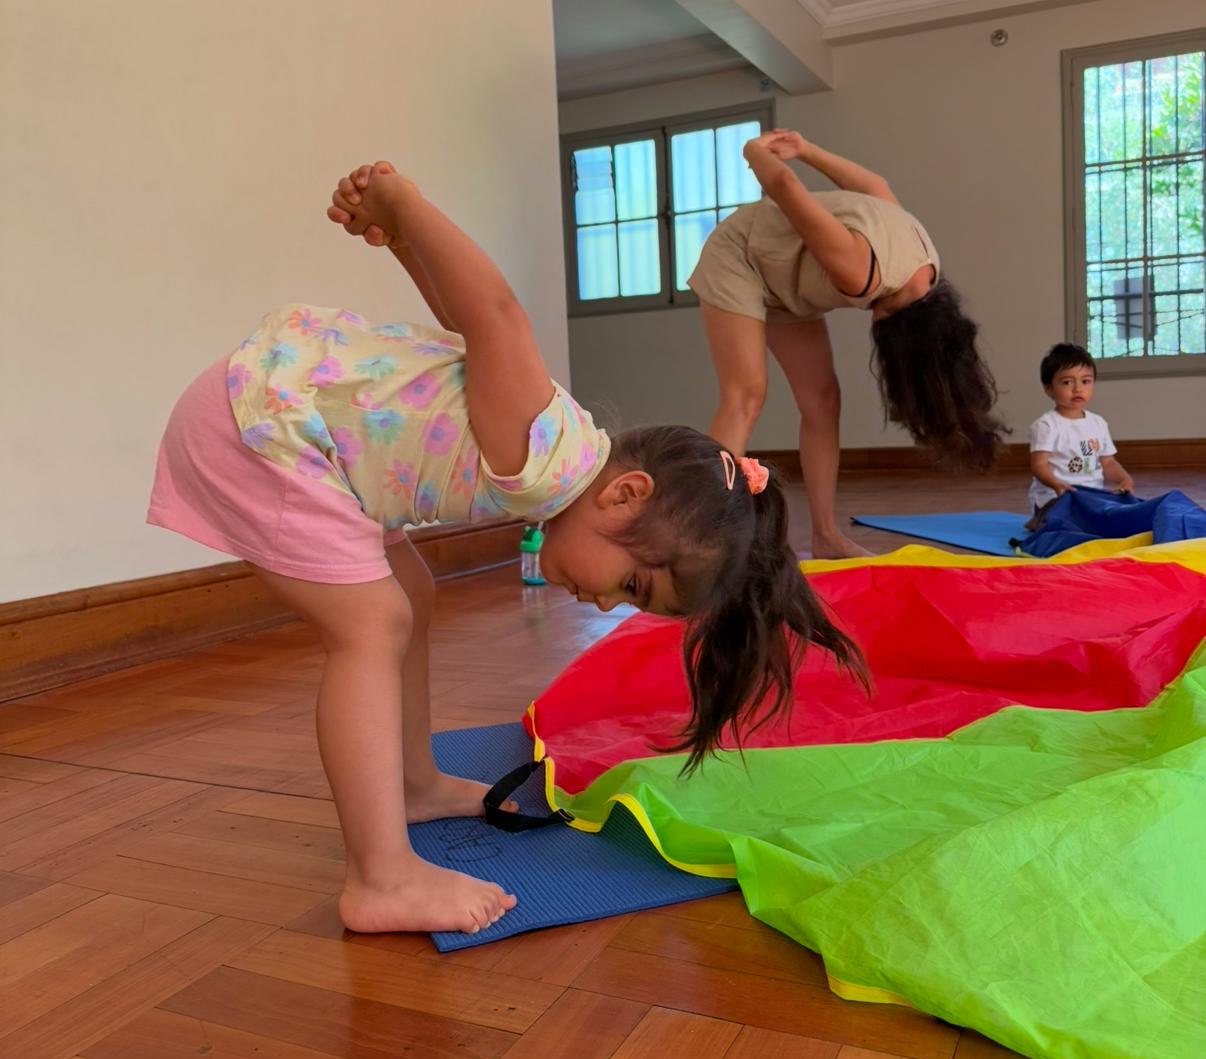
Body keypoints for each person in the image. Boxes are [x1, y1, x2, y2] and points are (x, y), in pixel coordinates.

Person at [148, 160, 863, 936]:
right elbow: (493, 313)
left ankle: (413, 784)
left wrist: (398, 245)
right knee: (371, 624)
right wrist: (406, 208)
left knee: (409, 597)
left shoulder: (555, 448)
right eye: (630, 585)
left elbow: (464, 328)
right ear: (626, 496)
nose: (603, 601)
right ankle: (379, 877)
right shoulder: (546, 455)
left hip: (303, 435)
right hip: (260, 428)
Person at [690, 129, 1007, 558]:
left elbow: (878, 189)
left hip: (785, 276)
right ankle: (703, 544)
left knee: (823, 399)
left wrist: (806, 149)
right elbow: (783, 186)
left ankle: (825, 537)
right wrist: (752, 152)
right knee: (746, 394)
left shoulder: (925, 267)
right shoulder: (862, 272)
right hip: (741, 256)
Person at [1026, 343, 1134, 529]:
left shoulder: (1098, 423)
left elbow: (1108, 462)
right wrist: (1057, 485)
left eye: (1085, 381)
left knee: (1124, 513)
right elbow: (1039, 465)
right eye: (1067, 382)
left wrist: (1125, 480)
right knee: (1067, 521)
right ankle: (1040, 520)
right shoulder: (1046, 425)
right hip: (1056, 497)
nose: (1077, 389)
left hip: (1090, 497)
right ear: (1049, 388)